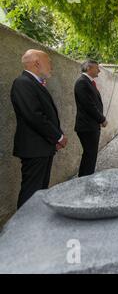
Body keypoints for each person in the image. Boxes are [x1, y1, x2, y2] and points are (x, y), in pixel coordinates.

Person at [10, 49, 67, 208]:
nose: (51, 66)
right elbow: (34, 116)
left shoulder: (33, 82)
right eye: (49, 62)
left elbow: (44, 115)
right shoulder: (22, 83)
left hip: (42, 146)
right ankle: (23, 229)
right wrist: (58, 137)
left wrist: (54, 138)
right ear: (37, 63)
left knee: (39, 190)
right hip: (34, 148)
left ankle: (35, 226)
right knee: (31, 192)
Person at [74, 60, 107, 177]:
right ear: (89, 68)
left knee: (90, 155)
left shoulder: (88, 82)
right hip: (87, 126)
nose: (99, 70)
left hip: (91, 125)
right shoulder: (82, 82)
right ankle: (85, 180)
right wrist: (102, 119)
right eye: (97, 68)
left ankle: (87, 178)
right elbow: (89, 105)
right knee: (90, 155)